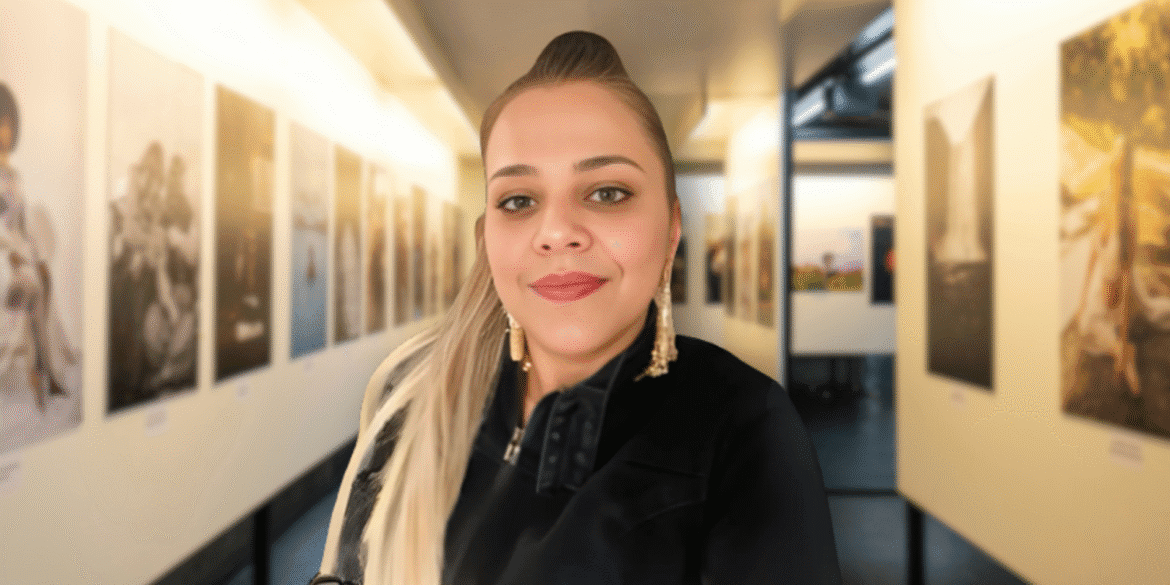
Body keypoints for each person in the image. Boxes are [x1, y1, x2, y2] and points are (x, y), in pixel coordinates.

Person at [313, 31, 840, 585]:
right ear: (486, 237)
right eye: (519, 201)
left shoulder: (743, 426)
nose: (558, 233)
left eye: (606, 193)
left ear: (671, 229)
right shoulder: (410, 385)